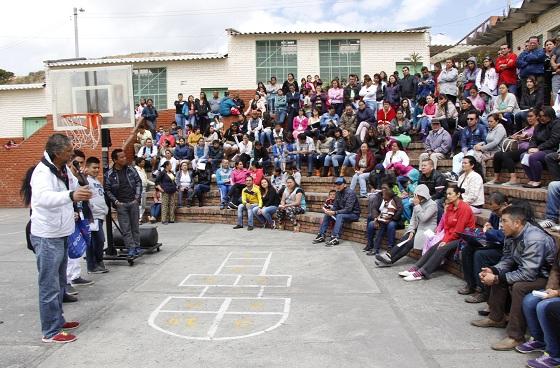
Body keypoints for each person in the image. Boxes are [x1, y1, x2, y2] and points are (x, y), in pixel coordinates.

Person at [28, 134, 92, 343]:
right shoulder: (42, 173)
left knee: (60, 282)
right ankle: (50, 331)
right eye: (68, 151)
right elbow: (43, 198)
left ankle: (58, 320)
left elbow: (73, 186)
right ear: (57, 153)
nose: (71, 153)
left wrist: (80, 181)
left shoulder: (62, 168)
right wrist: (71, 196)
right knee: (49, 285)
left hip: (62, 231)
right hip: (47, 236)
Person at [471, 206, 557, 351]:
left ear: (517, 223)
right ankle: (496, 317)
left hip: (544, 277)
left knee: (518, 286)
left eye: (504, 221)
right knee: (501, 275)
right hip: (528, 271)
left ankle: (516, 336)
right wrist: (493, 270)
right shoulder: (511, 235)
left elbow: (529, 274)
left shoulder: (534, 238)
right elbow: (508, 259)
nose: (501, 225)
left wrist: (497, 278)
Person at [398, 185, 475, 281]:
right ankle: (415, 267)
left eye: (450, 194)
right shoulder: (450, 207)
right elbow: (447, 227)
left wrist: (446, 241)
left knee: (442, 248)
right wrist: (445, 239)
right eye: (447, 194)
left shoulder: (464, 208)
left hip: (463, 237)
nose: (448, 196)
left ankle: (422, 272)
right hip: (451, 235)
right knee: (434, 247)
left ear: (458, 194)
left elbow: (458, 230)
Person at [458, 192, 509, 304]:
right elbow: (491, 229)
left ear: (505, 204)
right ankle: (470, 284)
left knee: (480, 255)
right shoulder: (495, 214)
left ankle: (482, 290)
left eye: (497, 210)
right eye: (492, 210)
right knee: (468, 249)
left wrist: (490, 231)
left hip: (506, 249)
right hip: (494, 243)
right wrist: (488, 230)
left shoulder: (511, 216)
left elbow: (503, 236)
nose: (495, 213)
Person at [375, 184, 437, 267]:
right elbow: (413, 220)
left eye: (418, 196)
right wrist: (411, 230)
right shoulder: (418, 204)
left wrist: (417, 205)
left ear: (424, 195)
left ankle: (389, 257)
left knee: (409, 243)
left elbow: (424, 218)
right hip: (418, 229)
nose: (416, 197)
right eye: (416, 195)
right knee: (405, 238)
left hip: (427, 230)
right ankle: (388, 258)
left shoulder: (432, 205)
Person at [518, 250, 560, 368]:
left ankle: (554, 355)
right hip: (556, 290)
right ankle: (540, 340)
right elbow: (555, 270)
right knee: (530, 300)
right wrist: (551, 288)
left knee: (544, 306)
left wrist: (556, 293)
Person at [104, 149, 142, 258]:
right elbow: (107, 190)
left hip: (133, 202)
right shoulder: (109, 174)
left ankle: (137, 246)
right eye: (121, 157)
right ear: (115, 160)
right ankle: (130, 248)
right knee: (126, 229)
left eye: (125, 156)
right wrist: (116, 201)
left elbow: (138, 182)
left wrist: (137, 198)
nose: (124, 158)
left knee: (135, 227)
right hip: (121, 204)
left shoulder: (131, 169)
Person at [491, 108, 537, 186]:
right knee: (498, 154)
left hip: (527, 149)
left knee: (506, 155)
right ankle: (496, 178)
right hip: (518, 147)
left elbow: (535, 138)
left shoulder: (538, 127)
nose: (529, 118)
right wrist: (515, 137)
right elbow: (518, 135)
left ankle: (513, 179)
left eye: (531, 116)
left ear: (537, 117)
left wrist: (524, 137)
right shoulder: (526, 127)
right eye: (528, 116)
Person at [313, 177, 360, 247]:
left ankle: (335, 238)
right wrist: (330, 211)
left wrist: (335, 212)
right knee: (328, 214)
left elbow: (348, 209)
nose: (337, 186)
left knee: (339, 216)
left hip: (353, 214)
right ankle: (321, 235)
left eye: (339, 184)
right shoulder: (337, 193)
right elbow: (335, 206)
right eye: (336, 184)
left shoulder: (351, 193)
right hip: (343, 213)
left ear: (345, 185)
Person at [522, 107, 560, 188]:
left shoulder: (556, 124)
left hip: (551, 149)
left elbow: (554, 140)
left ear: (550, 115)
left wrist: (538, 148)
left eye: (544, 116)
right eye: (540, 115)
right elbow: (533, 139)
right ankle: (531, 179)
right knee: (523, 156)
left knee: (533, 157)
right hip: (539, 149)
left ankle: (537, 181)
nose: (542, 118)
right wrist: (530, 148)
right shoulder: (538, 126)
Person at [85, 157, 109, 274]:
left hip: (99, 215)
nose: (96, 170)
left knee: (98, 240)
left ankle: (97, 263)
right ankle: (92, 265)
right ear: (87, 168)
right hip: (92, 216)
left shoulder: (97, 181)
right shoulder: (86, 181)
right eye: (94, 167)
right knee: (96, 240)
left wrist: (105, 209)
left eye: (98, 168)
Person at [365, 182, 403, 256]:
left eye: (385, 188)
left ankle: (390, 247)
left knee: (390, 225)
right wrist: (376, 218)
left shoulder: (395, 198)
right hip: (381, 218)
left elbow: (400, 210)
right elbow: (374, 209)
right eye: (382, 188)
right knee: (370, 224)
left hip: (393, 219)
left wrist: (391, 219)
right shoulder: (379, 196)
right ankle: (370, 244)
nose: (383, 190)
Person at [451, 111, 487, 175]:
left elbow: (486, 140)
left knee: (466, 159)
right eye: (468, 119)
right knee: (456, 157)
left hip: (477, 150)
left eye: (471, 119)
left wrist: (481, 144)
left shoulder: (482, 128)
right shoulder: (465, 129)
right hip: (467, 150)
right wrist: (465, 152)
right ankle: (454, 174)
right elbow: (463, 142)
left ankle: (455, 175)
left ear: (476, 120)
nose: (469, 120)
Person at [155, 160, 177, 225]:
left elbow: (174, 181)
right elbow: (157, 181)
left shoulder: (171, 172)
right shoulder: (162, 173)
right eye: (170, 165)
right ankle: (164, 220)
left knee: (172, 205)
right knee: (165, 205)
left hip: (172, 190)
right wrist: (160, 189)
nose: (171, 166)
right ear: (167, 166)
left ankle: (171, 219)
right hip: (165, 190)